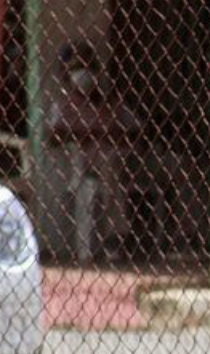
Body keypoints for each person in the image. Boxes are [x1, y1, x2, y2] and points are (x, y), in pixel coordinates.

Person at [47, 41, 142, 263]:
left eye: (88, 67)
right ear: (67, 75)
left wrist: (107, 134)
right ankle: (110, 239)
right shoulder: (63, 105)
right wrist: (88, 134)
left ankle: (112, 238)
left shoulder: (111, 103)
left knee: (109, 171)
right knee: (98, 177)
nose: (84, 74)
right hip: (79, 167)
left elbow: (136, 132)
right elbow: (54, 137)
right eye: (77, 68)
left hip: (113, 163)